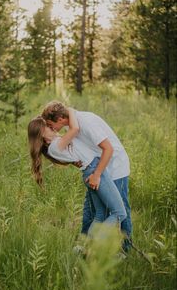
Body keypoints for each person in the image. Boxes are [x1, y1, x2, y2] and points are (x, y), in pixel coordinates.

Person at [42, 101, 132, 252]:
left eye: (51, 125)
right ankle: (86, 246)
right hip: (96, 169)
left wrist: (96, 174)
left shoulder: (85, 122)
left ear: (59, 119)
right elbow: (74, 148)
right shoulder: (71, 126)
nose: (52, 128)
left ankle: (125, 249)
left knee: (121, 209)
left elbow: (108, 149)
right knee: (93, 210)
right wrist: (78, 162)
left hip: (114, 166)